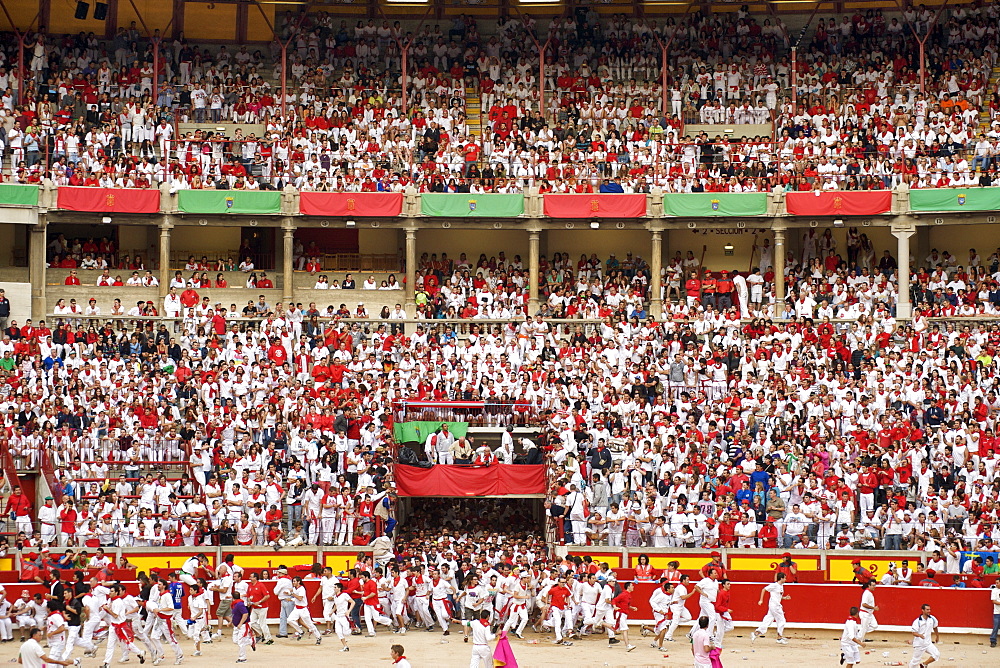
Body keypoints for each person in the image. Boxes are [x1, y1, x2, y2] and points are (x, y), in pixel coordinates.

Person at [751, 572, 790, 644]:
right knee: (781, 620)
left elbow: (778, 596)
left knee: (768, 620)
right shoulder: (774, 585)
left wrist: (785, 598)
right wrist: (761, 600)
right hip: (775, 606)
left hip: (774, 605)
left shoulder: (781, 586)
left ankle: (756, 633)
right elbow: (764, 589)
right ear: (781, 578)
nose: (785, 579)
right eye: (784, 578)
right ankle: (779, 637)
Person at [286, 576, 321, 644]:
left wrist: (291, 594)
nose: (293, 583)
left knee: (310, 624)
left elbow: (300, 598)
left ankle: (318, 637)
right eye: (293, 581)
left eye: (294, 581)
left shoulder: (302, 589)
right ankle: (300, 631)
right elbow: (296, 597)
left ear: (298, 582)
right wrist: (290, 596)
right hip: (297, 608)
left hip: (303, 609)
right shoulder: (295, 588)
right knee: (290, 620)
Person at [608, 580, 637, 652]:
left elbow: (625, 605)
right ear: (628, 587)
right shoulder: (624, 594)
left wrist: (631, 607)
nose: (633, 587)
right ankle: (627, 645)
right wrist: (614, 607)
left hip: (623, 614)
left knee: (616, 629)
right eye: (631, 586)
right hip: (621, 613)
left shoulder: (627, 594)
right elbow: (614, 600)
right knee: (625, 629)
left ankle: (601, 623)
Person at [664, 573, 694, 642]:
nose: (688, 581)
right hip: (676, 606)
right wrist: (692, 593)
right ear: (683, 580)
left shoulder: (681, 587)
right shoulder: (681, 587)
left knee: (688, 618)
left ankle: (673, 622)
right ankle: (667, 636)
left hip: (680, 606)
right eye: (687, 580)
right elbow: (683, 597)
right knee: (676, 622)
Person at [909, 603, 939, 668]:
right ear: (923, 610)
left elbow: (935, 627)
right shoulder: (917, 621)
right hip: (919, 644)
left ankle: (924, 664)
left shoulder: (932, 619)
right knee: (915, 661)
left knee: (936, 654)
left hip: (928, 643)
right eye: (927, 609)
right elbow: (913, 632)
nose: (929, 611)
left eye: (929, 609)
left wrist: (937, 636)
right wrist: (920, 635)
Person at [231, 591, 254, 663]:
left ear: (232, 598)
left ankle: (242, 658)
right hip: (237, 626)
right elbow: (236, 615)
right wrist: (231, 622)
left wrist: (240, 623)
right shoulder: (236, 604)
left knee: (241, 642)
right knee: (235, 640)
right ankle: (251, 641)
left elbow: (245, 614)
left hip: (243, 625)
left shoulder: (239, 604)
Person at [332, 582, 353, 652]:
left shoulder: (344, 595)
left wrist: (348, 611)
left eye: (335, 587)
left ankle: (353, 629)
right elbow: (336, 605)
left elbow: (353, 602)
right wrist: (331, 611)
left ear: (339, 588)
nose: (334, 589)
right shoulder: (335, 596)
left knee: (346, 632)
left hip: (344, 616)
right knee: (338, 632)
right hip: (338, 616)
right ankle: (345, 646)